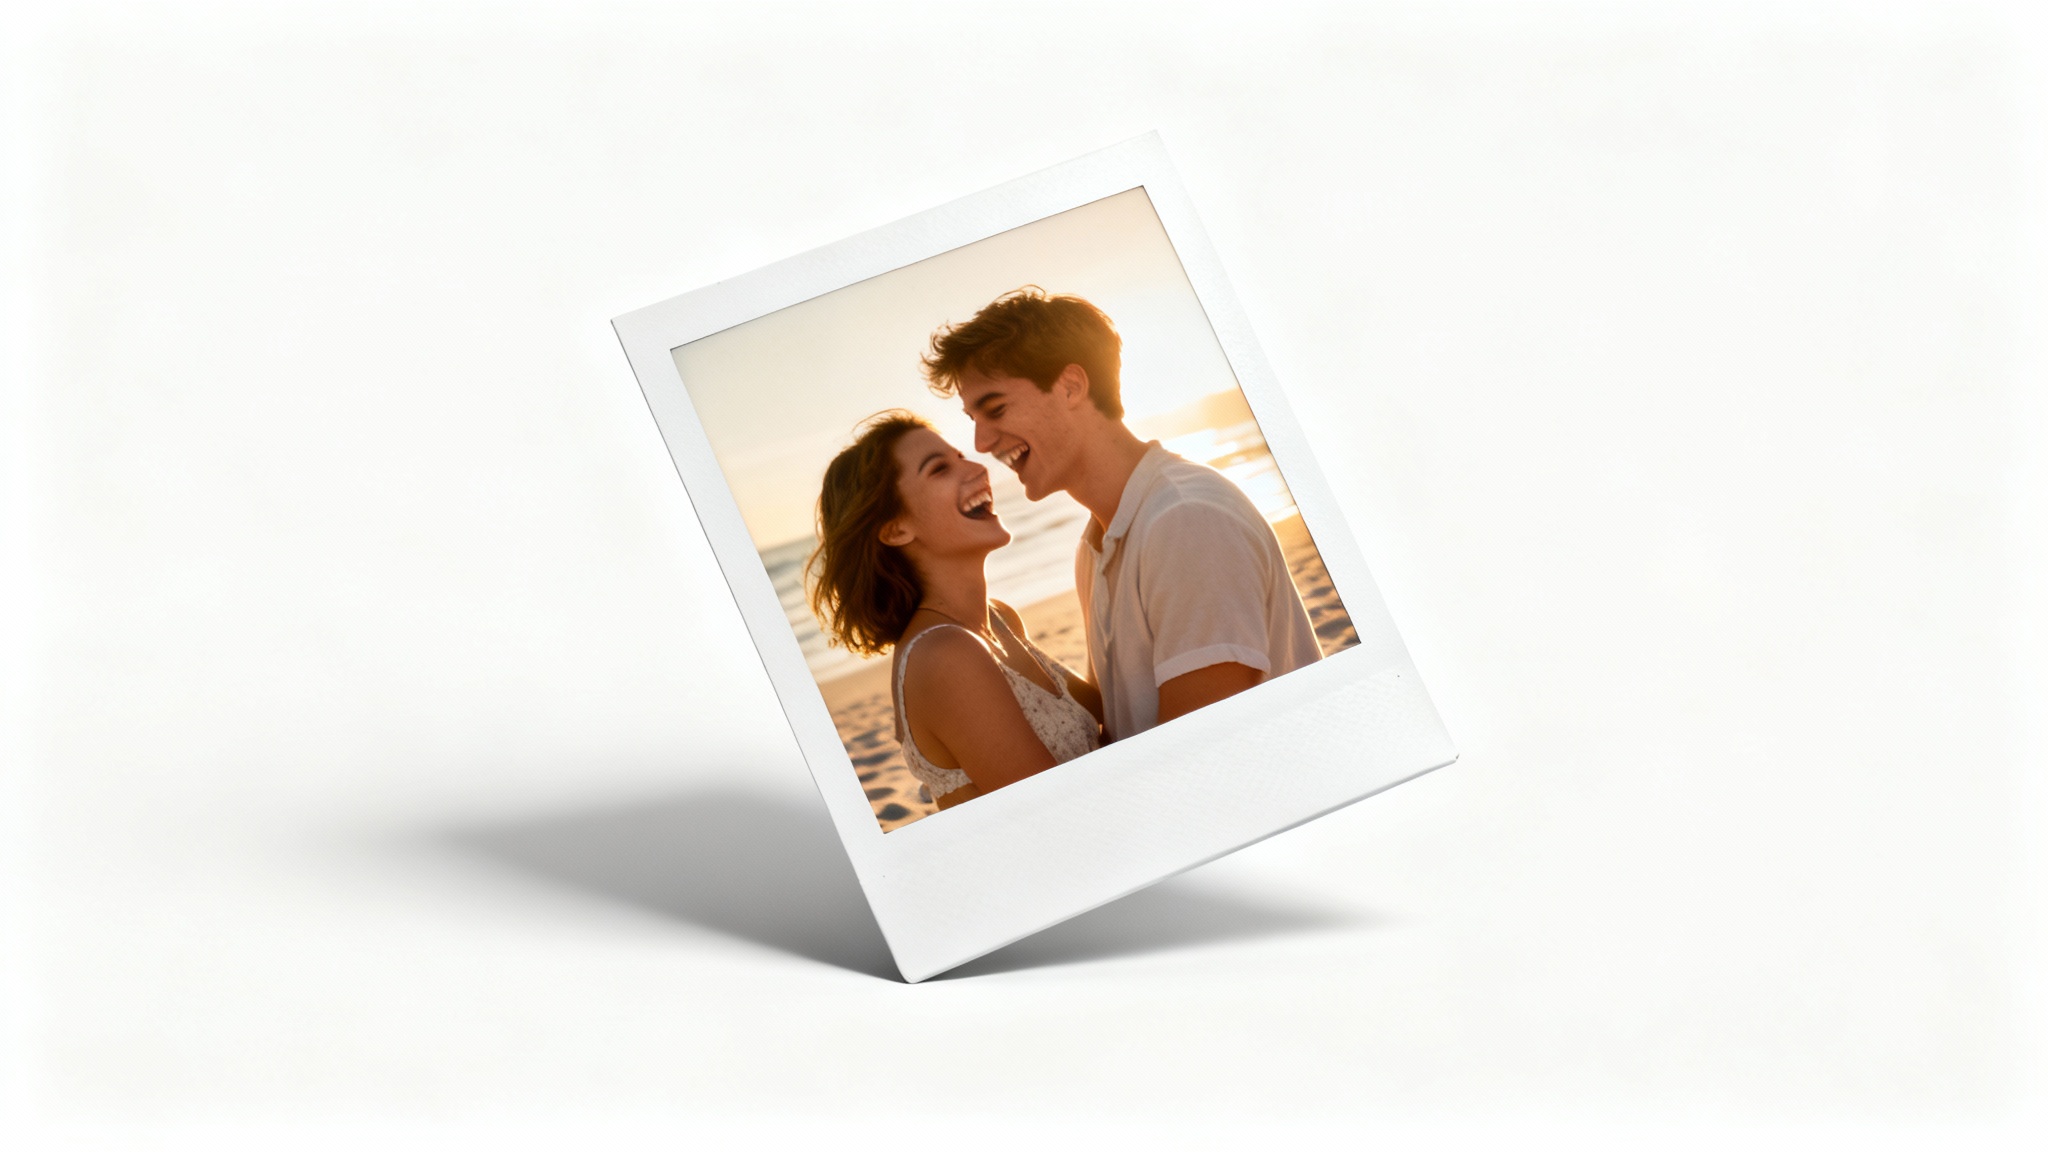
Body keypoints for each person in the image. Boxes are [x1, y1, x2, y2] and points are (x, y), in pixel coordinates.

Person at [922, 288, 1321, 743]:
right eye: (973, 417)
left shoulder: (1186, 523)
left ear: (1071, 386)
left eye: (995, 409)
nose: (981, 442)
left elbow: (1204, 752)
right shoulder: (1096, 546)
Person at [807, 411, 1103, 810]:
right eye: (940, 469)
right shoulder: (945, 656)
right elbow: (1059, 813)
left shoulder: (999, 619)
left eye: (961, 456)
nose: (978, 468)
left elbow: (1108, 711)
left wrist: (1101, 560)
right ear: (896, 530)